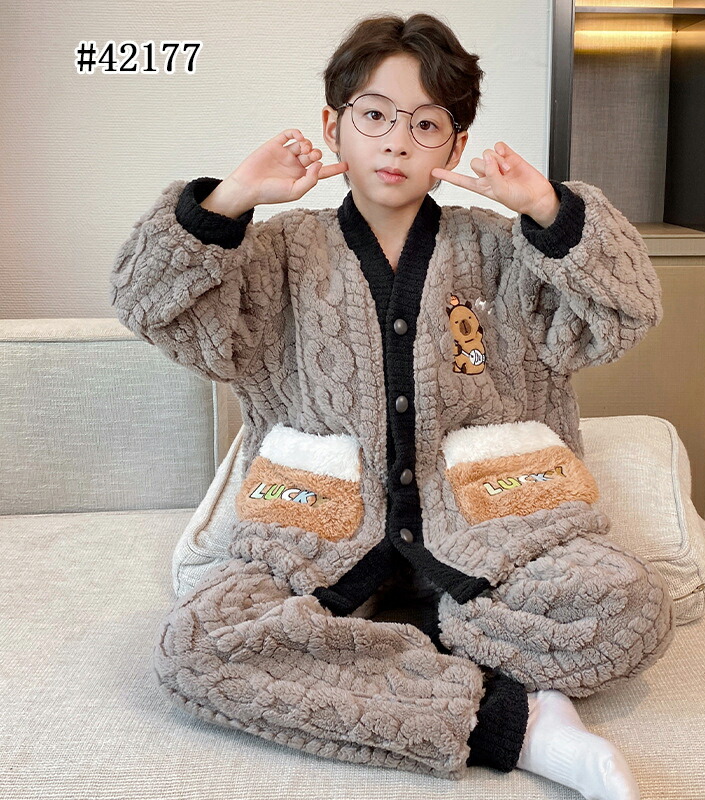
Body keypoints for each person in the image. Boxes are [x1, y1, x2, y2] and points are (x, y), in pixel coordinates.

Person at [110, 12, 674, 798]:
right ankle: (517, 722)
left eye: (426, 124)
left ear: (454, 146)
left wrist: (548, 210)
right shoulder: (275, 255)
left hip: (494, 544)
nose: (397, 142)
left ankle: (380, 652)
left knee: (632, 608)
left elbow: (627, 312)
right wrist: (234, 196)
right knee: (194, 646)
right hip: (318, 542)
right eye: (374, 115)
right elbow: (149, 304)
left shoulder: (504, 248)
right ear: (333, 128)